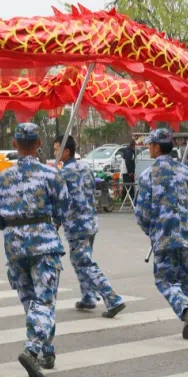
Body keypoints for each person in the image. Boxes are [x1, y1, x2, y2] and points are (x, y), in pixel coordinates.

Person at [0, 123, 71, 377]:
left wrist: (12, 226)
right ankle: (33, 350)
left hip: (14, 246)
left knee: (31, 302)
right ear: (39, 144)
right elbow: (64, 209)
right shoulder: (51, 174)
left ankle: (47, 351)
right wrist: (48, 225)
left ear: (14, 144)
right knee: (44, 301)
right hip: (44, 244)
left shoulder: (2, 177)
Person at [134, 128, 188, 342]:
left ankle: (185, 309)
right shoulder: (187, 172)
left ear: (157, 147)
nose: (148, 148)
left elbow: (142, 212)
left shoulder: (148, 175)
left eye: (150, 144)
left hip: (164, 237)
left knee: (164, 280)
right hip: (186, 237)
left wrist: (151, 230)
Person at [55, 137, 126, 322]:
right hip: (91, 222)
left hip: (76, 225)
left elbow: (61, 202)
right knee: (80, 260)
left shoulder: (63, 174)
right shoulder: (85, 168)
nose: (55, 153)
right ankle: (88, 296)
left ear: (66, 152)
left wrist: (55, 224)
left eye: (56, 149)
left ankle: (112, 298)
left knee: (84, 262)